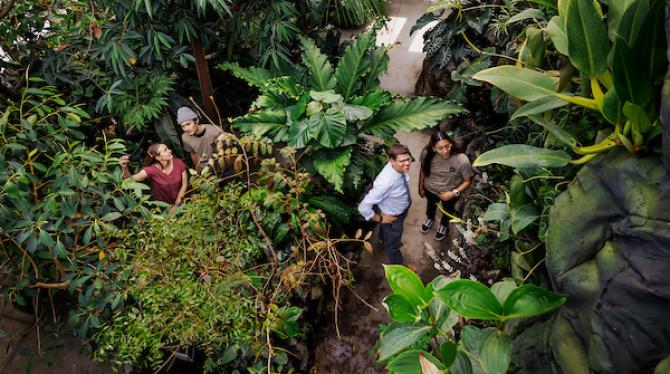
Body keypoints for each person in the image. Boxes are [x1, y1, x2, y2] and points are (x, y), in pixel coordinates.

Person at [357, 144, 413, 265]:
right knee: (392, 246)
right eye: (402, 161)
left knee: (387, 232)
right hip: (393, 215)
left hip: (399, 207)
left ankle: (383, 239)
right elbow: (363, 207)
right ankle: (399, 266)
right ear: (392, 161)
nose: (407, 163)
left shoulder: (396, 168)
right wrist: (380, 218)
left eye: (408, 159)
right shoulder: (385, 182)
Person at [418, 131, 473, 241]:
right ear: (434, 148)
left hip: (450, 193)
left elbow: (468, 181)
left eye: (447, 146)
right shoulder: (427, 154)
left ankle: (444, 225)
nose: (445, 151)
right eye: (440, 148)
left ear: (451, 143)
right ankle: (430, 218)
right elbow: (423, 171)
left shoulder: (462, 160)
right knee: (431, 206)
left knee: (448, 211)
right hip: (430, 189)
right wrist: (420, 187)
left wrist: (453, 193)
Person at [119, 143, 188, 210]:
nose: (170, 151)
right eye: (165, 150)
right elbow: (130, 180)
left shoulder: (178, 163)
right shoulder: (151, 170)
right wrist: (124, 168)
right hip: (163, 209)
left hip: (184, 202)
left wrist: (176, 205)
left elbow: (184, 185)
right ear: (158, 157)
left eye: (168, 149)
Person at [177, 106, 223, 172]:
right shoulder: (185, 137)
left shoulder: (215, 130)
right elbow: (193, 154)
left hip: (220, 165)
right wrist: (198, 170)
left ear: (197, 120)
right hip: (204, 170)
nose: (186, 129)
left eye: (188, 124)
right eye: (183, 126)